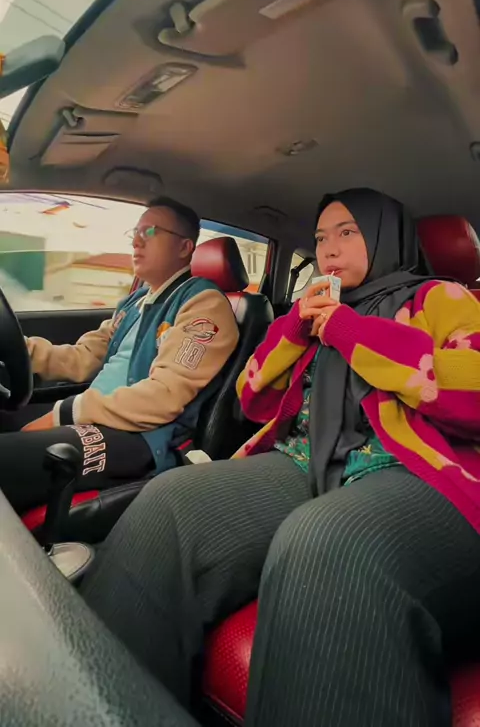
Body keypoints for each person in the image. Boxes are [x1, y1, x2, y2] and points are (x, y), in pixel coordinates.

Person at [80, 188, 480, 727]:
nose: (328, 249)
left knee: (329, 539)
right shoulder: (315, 315)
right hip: (305, 459)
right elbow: (251, 398)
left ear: (386, 236)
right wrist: (295, 328)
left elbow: (470, 390)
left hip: (414, 467)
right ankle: (97, 707)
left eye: (347, 233)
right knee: (169, 502)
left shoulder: (442, 298)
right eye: (320, 238)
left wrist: (350, 330)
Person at [0, 196, 239, 513]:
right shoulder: (133, 304)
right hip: (99, 417)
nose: (137, 241)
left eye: (150, 232)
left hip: (142, 436)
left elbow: (163, 398)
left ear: (184, 247)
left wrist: (67, 413)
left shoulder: (203, 306)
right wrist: (18, 348)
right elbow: (82, 357)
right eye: (135, 232)